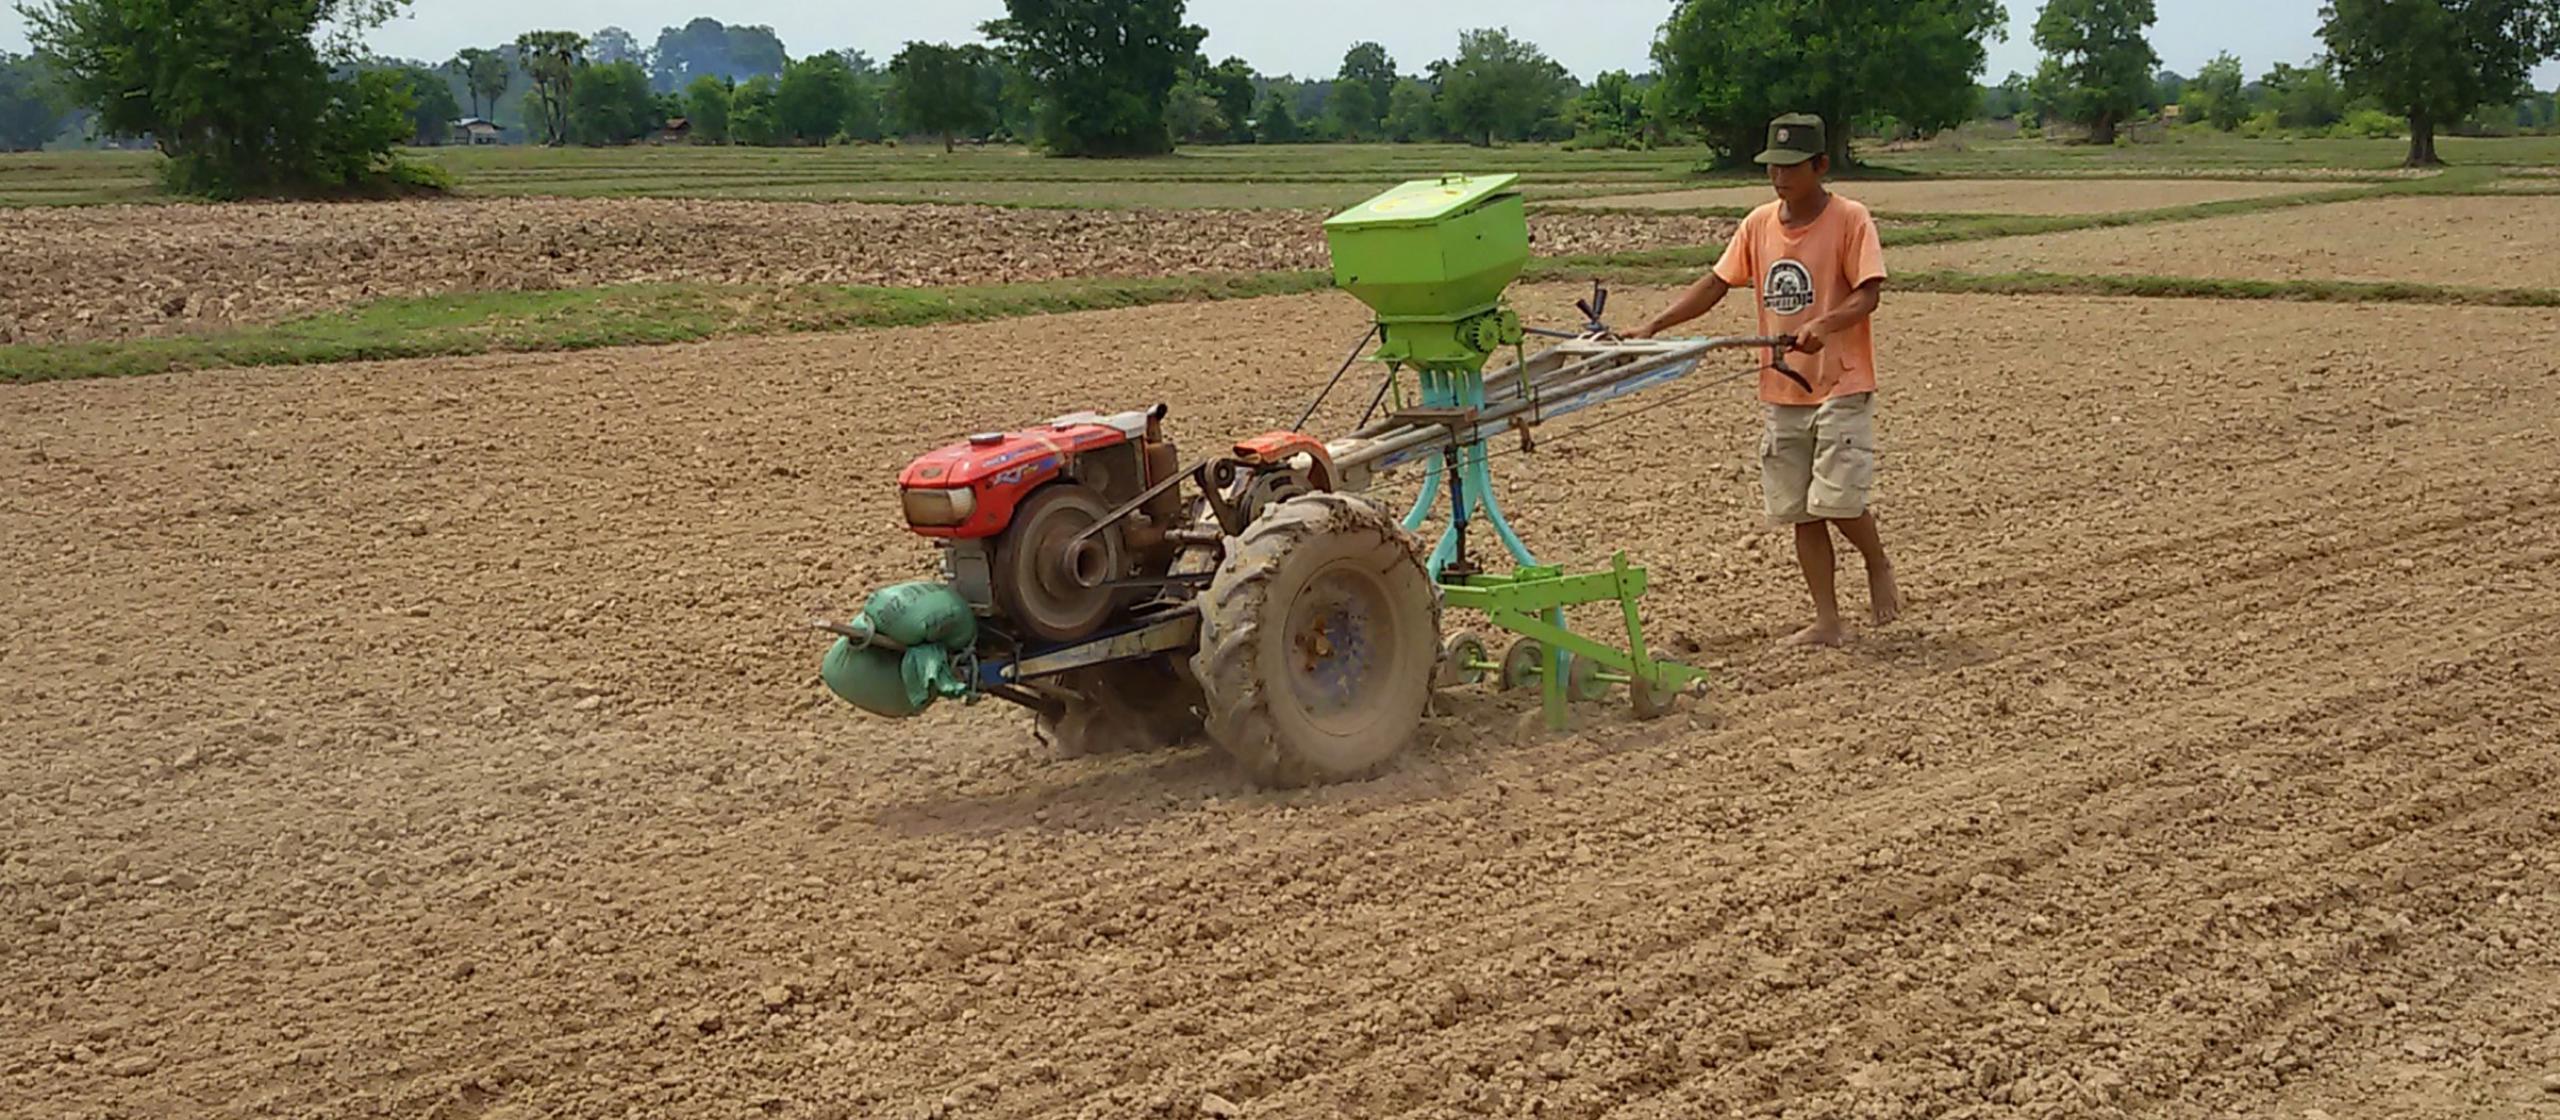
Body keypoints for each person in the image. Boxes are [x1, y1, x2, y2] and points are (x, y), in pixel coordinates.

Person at [1628, 112, 1901, 647]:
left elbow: (1869, 293)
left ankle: (1876, 562)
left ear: (1821, 165)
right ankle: (1827, 619)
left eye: (1791, 167)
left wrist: (1824, 324)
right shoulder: (1757, 225)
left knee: (1838, 500)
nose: (1779, 178)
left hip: (1840, 378)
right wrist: (1655, 324)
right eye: (1772, 167)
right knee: (1801, 508)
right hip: (1784, 386)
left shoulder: (1850, 219)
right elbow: (1716, 283)